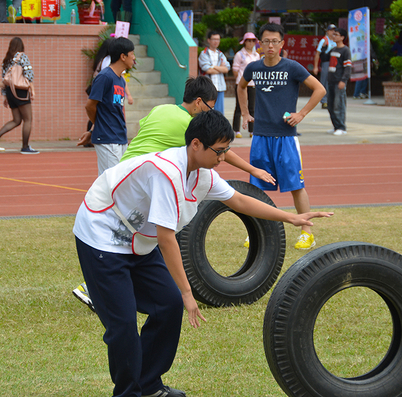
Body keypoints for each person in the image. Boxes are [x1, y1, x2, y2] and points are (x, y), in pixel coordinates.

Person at [73, 110, 333, 397]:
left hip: (136, 241)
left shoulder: (201, 175)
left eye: (226, 150)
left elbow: (238, 200)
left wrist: (290, 218)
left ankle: (148, 385)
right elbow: (166, 237)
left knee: (167, 306)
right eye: (219, 151)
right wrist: (187, 292)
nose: (222, 158)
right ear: (195, 144)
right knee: (122, 325)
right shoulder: (167, 172)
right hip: (102, 236)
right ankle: (128, 393)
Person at [73, 76, 275, 309]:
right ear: (199, 102)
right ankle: (96, 289)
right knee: (153, 235)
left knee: (136, 235)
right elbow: (223, 151)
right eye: (210, 105)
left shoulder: (161, 109)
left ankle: (115, 287)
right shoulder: (187, 124)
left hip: (126, 171)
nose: (210, 112)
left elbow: (143, 129)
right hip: (148, 179)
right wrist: (253, 170)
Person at [237, 23, 326, 250]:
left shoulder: (292, 67)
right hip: (260, 137)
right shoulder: (253, 68)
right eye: (266, 41)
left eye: (275, 41)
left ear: (282, 44)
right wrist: (246, 113)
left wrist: (301, 114)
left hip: (286, 138)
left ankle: (307, 233)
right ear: (260, 43)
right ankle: (255, 233)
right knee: (257, 186)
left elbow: (320, 89)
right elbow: (241, 87)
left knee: (296, 185)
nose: (270, 45)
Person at [84, 37, 135, 175]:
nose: (134, 58)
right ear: (123, 56)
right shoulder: (105, 77)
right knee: (110, 182)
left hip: (120, 137)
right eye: (132, 54)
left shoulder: (120, 80)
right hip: (107, 138)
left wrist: (92, 130)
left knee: (119, 181)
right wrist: (98, 125)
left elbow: (108, 110)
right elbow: (90, 106)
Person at [0, 37, 38, 154]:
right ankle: (25, 146)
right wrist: (32, 89)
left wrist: (5, 96)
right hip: (21, 91)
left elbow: (4, 80)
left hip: (10, 92)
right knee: (28, 119)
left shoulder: (6, 60)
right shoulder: (22, 56)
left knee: (16, 120)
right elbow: (29, 74)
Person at [232, 32, 260, 139]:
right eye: (249, 40)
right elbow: (235, 70)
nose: (251, 43)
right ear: (244, 42)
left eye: (253, 40)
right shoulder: (239, 54)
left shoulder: (256, 55)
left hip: (253, 84)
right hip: (241, 84)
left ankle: (252, 130)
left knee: (252, 107)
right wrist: (240, 81)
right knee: (239, 107)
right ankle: (236, 130)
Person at [326, 28, 352, 136]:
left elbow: (347, 67)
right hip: (331, 81)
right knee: (330, 105)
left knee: (338, 104)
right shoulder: (333, 49)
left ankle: (341, 127)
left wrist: (343, 80)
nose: (334, 36)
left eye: (336, 34)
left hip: (339, 81)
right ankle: (335, 126)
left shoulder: (345, 50)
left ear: (342, 37)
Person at [198, 31, 230, 114]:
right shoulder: (204, 54)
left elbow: (226, 69)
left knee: (219, 112)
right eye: (214, 39)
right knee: (206, 111)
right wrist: (220, 68)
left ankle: (219, 127)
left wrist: (213, 66)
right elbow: (207, 69)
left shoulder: (221, 54)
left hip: (220, 87)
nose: (216, 41)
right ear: (208, 40)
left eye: (218, 39)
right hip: (208, 87)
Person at [313, 24, 337, 110]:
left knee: (332, 81)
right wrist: (315, 67)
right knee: (324, 81)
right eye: (331, 30)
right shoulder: (324, 41)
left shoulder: (335, 40)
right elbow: (317, 54)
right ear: (327, 31)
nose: (333, 32)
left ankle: (331, 100)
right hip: (326, 63)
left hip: (334, 63)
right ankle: (324, 101)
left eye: (334, 30)